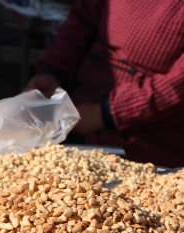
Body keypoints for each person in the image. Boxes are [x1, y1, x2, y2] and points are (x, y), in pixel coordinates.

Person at [26, 0, 184, 168]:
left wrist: (105, 114)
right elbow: (82, 20)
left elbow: (176, 86)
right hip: (74, 107)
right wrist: (54, 72)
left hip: (143, 138)